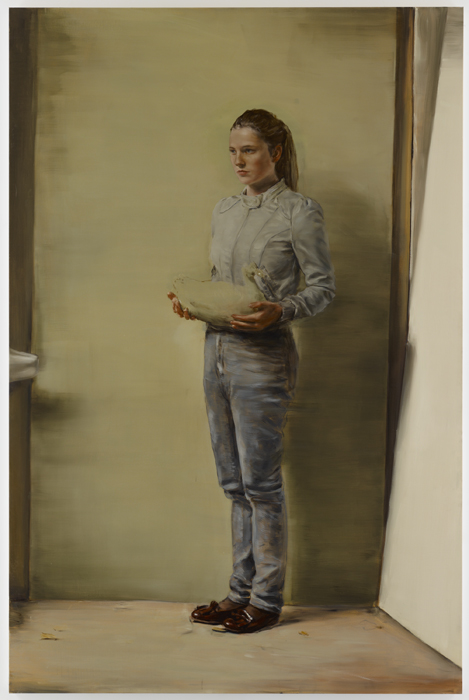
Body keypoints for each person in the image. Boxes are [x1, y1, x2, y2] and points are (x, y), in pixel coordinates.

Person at [168, 109, 335, 633]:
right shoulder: (224, 210)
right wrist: (195, 303)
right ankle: (238, 592)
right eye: (233, 151)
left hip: (263, 358)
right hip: (216, 352)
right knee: (232, 481)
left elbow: (322, 288)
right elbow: (224, 282)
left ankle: (265, 599)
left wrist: (280, 311)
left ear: (275, 153)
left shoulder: (299, 212)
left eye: (250, 150)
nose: (239, 161)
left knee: (261, 483)